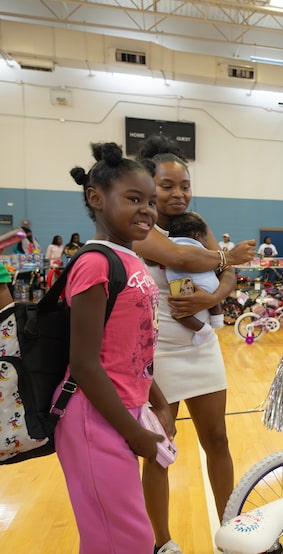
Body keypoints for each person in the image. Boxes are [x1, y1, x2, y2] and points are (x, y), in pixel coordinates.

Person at [132, 134, 255, 554]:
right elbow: (182, 259)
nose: (178, 193)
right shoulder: (139, 227)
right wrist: (225, 258)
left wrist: (212, 297)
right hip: (158, 351)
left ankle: (232, 528)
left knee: (217, 440)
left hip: (201, 346)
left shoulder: (197, 225)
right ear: (149, 186)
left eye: (184, 185)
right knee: (159, 447)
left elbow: (228, 277)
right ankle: (162, 541)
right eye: (167, 186)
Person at [58, 142, 171, 553]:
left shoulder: (131, 259)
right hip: (94, 417)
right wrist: (136, 434)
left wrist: (156, 402)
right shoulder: (94, 263)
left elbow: (136, 347)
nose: (147, 210)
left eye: (151, 202)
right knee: (124, 538)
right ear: (96, 198)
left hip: (123, 409)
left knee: (120, 536)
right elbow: (85, 365)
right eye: (134, 199)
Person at [166, 212, 226, 345]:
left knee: (180, 313)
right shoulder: (203, 249)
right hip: (211, 282)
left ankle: (203, 330)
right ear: (197, 235)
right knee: (211, 296)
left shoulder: (169, 244)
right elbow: (218, 262)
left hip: (183, 283)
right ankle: (217, 317)